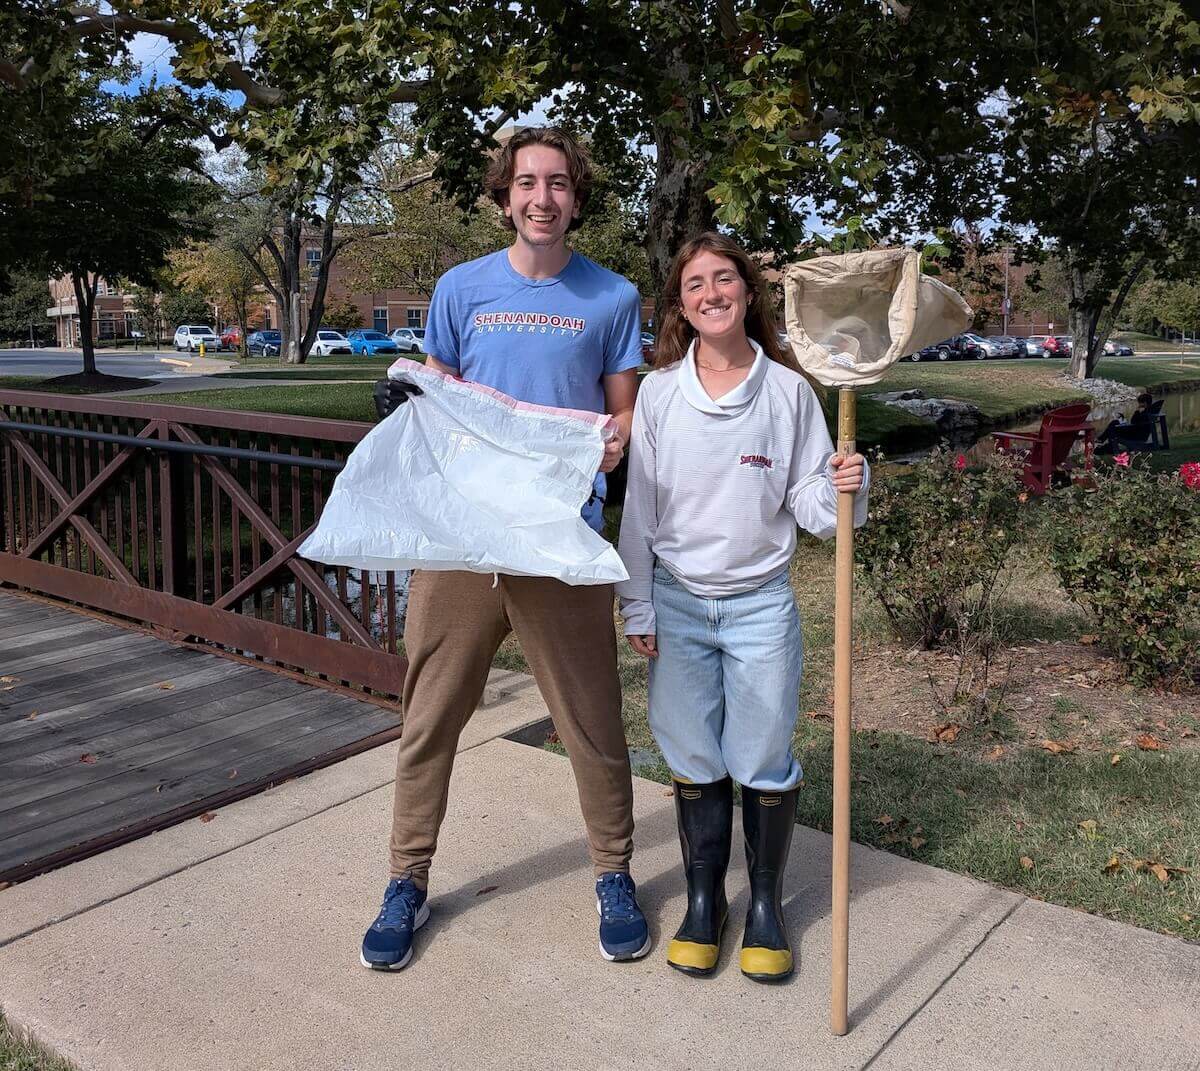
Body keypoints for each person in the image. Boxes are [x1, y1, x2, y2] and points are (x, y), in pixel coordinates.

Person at [362, 127, 649, 971]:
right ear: (504, 194)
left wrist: (613, 442)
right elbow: (443, 395)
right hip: (460, 536)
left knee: (592, 721)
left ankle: (614, 872)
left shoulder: (612, 297)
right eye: (527, 182)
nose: (542, 198)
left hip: (558, 539)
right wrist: (408, 391)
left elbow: (623, 414)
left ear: (576, 197)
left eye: (558, 183)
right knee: (429, 716)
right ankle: (406, 880)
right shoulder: (461, 287)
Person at [616, 233, 868, 982]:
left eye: (725, 278)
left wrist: (846, 481)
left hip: (761, 605)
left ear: (748, 293)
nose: (712, 293)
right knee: (691, 752)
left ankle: (764, 904)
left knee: (761, 755)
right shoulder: (659, 392)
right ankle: (704, 900)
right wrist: (638, 605)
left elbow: (814, 507)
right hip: (679, 602)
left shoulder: (789, 392)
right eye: (695, 284)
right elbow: (641, 511)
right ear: (681, 304)